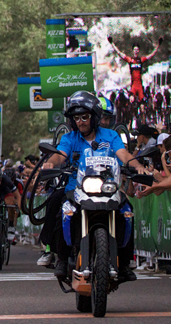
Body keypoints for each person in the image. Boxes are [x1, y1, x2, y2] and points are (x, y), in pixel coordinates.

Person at [43, 90, 146, 284]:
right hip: (76, 188)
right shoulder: (69, 138)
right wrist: (51, 163)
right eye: (77, 118)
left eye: (85, 117)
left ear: (95, 117)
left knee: (126, 210)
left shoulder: (111, 136)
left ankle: (125, 262)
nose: (81, 122)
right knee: (61, 209)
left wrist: (137, 165)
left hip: (108, 188)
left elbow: (123, 154)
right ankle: (61, 258)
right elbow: (60, 155)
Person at [108, 36, 162, 104]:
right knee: (131, 101)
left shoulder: (141, 60)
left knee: (143, 104)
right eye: (135, 49)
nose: (136, 51)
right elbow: (119, 53)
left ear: (138, 51)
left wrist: (158, 45)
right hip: (133, 85)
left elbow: (151, 55)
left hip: (140, 86)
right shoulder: (130, 60)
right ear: (133, 51)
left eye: (137, 49)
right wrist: (112, 43)